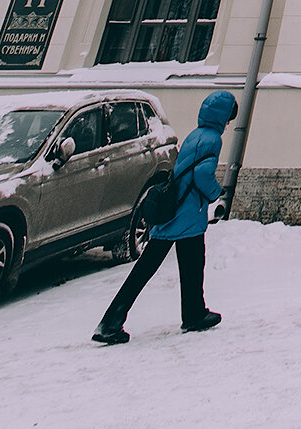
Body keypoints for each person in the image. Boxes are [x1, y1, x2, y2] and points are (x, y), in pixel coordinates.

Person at [93, 88, 236, 344]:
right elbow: (202, 174)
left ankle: (194, 313)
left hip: (176, 209)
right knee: (158, 268)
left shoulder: (196, 135)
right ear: (222, 116)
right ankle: (112, 322)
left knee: (188, 265)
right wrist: (216, 193)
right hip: (187, 213)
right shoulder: (213, 138)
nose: (228, 122)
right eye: (229, 117)